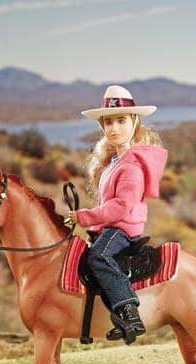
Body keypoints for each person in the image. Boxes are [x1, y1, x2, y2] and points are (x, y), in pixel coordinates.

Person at [66, 85, 168, 345]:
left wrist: (84, 217)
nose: (114, 128)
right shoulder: (115, 162)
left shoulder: (131, 167)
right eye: (108, 122)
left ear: (135, 122)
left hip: (123, 228)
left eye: (121, 121)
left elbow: (120, 208)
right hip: (111, 226)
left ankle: (130, 313)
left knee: (98, 256)